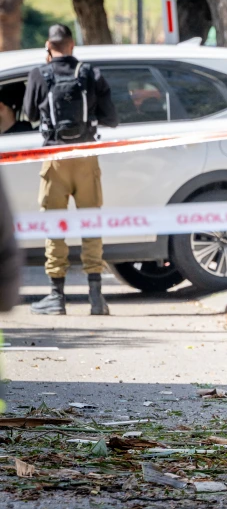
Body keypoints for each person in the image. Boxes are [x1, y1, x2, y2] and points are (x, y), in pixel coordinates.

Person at [23, 24, 119, 316]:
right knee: (91, 223)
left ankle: (56, 297)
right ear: (72, 45)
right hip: (87, 156)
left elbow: (28, 115)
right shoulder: (90, 74)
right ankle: (96, 297)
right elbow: (111, 118)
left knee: (54, 225)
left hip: (55, 158)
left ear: (48, 46)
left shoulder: (40, 74)